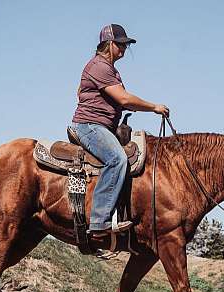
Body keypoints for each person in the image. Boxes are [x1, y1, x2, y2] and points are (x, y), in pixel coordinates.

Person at [70, 24, 169, 237]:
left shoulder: (110, 69)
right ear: (109, 44)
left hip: (102, 126)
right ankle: (99, 221)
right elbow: (124, 99)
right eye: (121, 44)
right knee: (117, 159)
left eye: (126, 45)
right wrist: (154, 107)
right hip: (90, 126)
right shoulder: (99, 66)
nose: (124, 48)